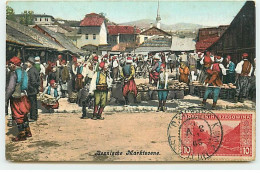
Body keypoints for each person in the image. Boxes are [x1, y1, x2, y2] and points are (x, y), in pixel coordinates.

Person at [6, 56, 32, 141]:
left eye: (11, 63)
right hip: (24, 95)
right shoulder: (24, 72)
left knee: (18, 115)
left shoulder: (14, 73)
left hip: (16, 97)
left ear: (15, 64)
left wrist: (5, 98)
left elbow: (10, 88)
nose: (9, 65)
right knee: (24, 114)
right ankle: (28, 131)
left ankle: (22, 135)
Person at [26, 57, 40, 121]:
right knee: (34, 103)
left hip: (31, 89)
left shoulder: (31, 71)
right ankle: (34, 116)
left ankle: (33, 117)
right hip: (34, 89)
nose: (27, 63)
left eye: (28, 62)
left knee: (32, 104)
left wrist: (31, 87)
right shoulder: (35, 70)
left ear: (31, 63)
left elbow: (33, 81)